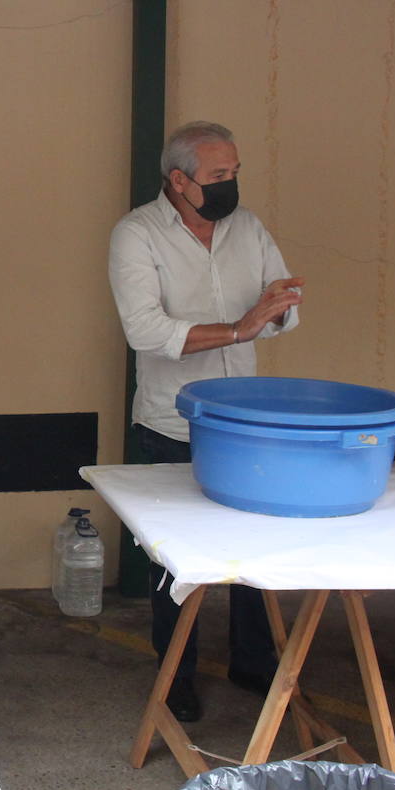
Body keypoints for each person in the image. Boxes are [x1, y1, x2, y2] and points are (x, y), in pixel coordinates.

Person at [108, 121, 304, 723]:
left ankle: (251, 658)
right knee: (177, 560)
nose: (230, 185)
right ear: (179, 180)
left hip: (243, 420)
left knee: (251, 546)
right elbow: (146, 331)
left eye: (235, 172)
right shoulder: (137, 234)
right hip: (171, 422)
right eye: (218, 176)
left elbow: (285, 310)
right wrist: (243, 326)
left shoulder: (249, 228)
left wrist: (270, 314)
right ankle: (177, 676)